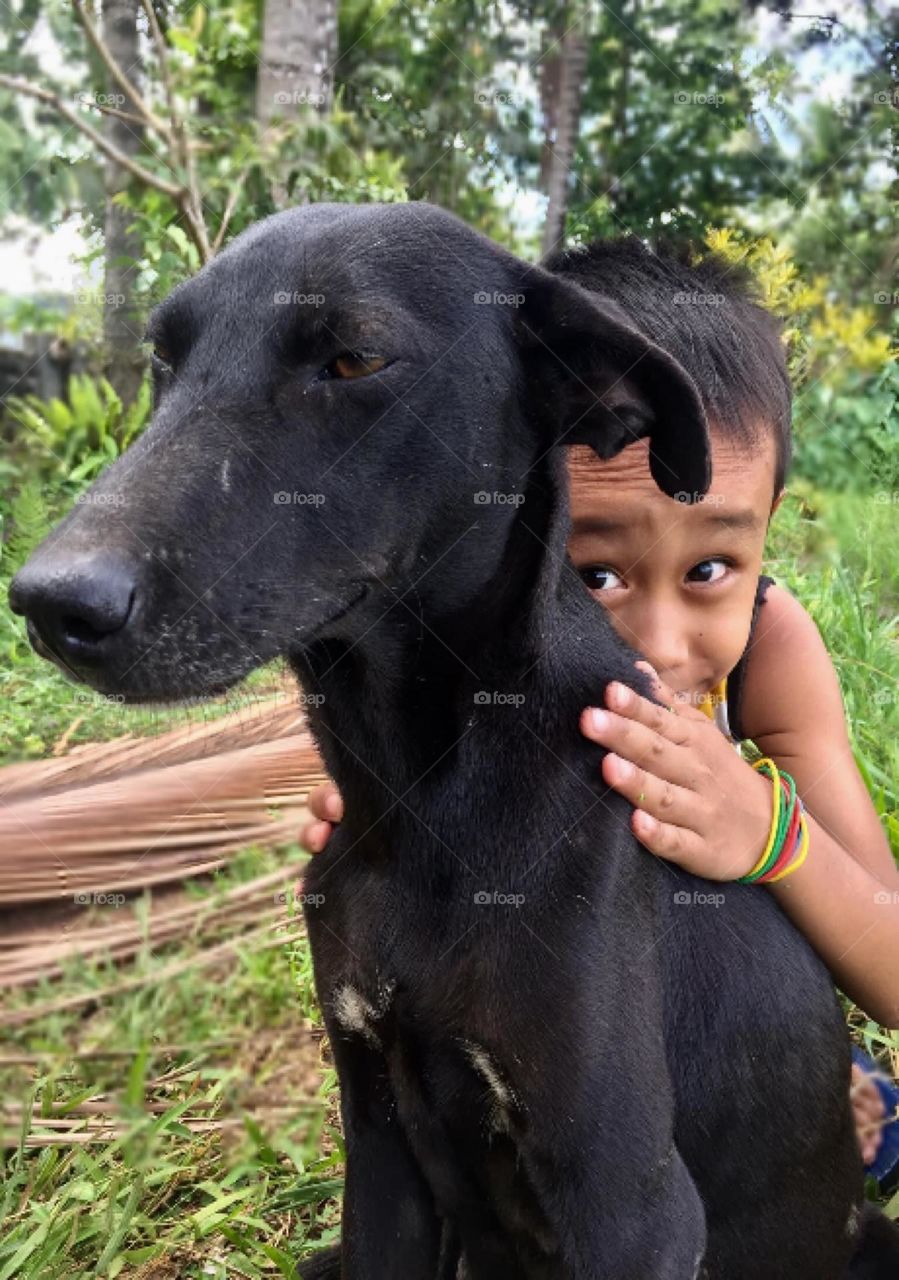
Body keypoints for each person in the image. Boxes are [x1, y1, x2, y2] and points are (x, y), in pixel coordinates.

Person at [299, 237, 899, 1184]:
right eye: (596, 574)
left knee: (859, 1130)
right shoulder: (468, 654)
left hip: (735, 1076)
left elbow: (892, 964)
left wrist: (764, 829)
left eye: (710, 569)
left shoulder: (772, 653)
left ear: (769, 524)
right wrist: (386, 824)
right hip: (554, 1079)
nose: (660, 641)